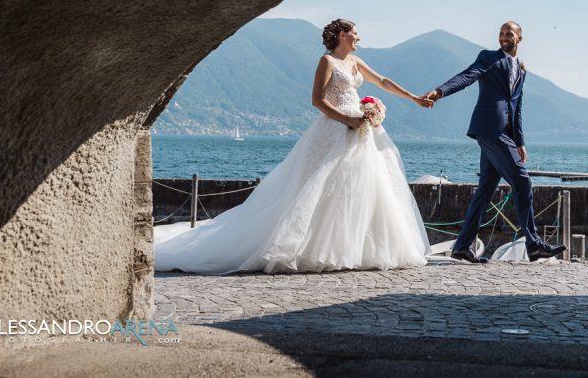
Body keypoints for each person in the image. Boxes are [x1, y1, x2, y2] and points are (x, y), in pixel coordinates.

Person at [155, 19, 433, 274]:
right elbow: (318, 100)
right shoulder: (327, 62)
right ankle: (312, 248)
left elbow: (383, 81)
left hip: (360, 129)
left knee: (362, 189)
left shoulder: (355, 62)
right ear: (341, 35)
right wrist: (347, 118)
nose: (358, 37)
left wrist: (414, 98)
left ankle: (356, 249)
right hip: (336, 128)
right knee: (320, 189)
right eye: (354, 33)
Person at [424, 21, 566, 263]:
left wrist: (520, 141)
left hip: (504, 134)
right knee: (522, 181)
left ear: (519, 38)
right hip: (490, 129)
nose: (503, 37)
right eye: (501, 33)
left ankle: (462, 246)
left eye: (508, 34)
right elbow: (467, 76)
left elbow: (517, 107)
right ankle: (533, 244)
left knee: (485, 191)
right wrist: (440, 91)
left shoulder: (521, 69)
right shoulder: (488, 58)